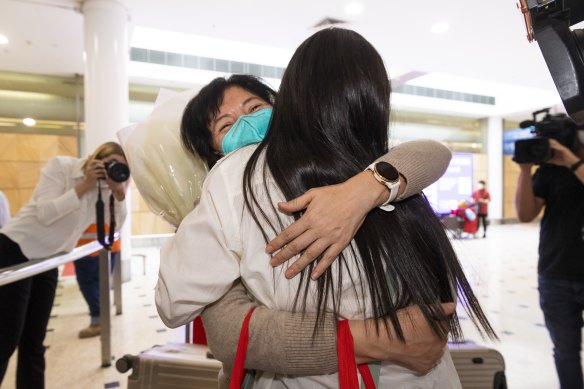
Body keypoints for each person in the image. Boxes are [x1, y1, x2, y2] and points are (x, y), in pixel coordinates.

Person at [156, 28, 496, 388]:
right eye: (226, 125)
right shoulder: (235, 185)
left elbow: (173, 302)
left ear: (284, 104)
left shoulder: (372, 170)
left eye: (254, 108)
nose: (245, 124)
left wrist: (361, 192)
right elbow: (228, 334)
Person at [0, 142, 129, 389]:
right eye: (110, 163)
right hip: (15, 250)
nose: (114, 169)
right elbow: (45, 213)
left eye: (121, 167)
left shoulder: (106, 190)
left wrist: (119, 192)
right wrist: (84, 186)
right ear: (95, 158)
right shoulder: (61, 167)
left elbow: (116, 228)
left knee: (35, 341)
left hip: (48, 260)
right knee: (6, 340)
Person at [515, 130, 584, 388]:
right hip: (555, 274)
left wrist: (571, 161)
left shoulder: (571, 163)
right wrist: (524, 170)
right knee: (565, 352)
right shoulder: (549, 171)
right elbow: (524, 214)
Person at [73, 224, 120, 338]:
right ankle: (101, 315)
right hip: (111, 243)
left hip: (87, 246)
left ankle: (98, 321)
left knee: (89, 284)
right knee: (101, 282)